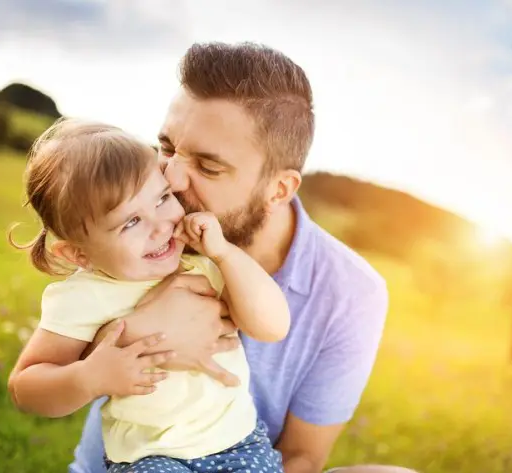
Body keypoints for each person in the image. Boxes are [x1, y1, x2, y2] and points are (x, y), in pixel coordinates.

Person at [71, 42, 412, 473]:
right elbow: (54, 368)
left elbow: (303, 454)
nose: (171, 177)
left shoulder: (352, 292)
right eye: (167, 146)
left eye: (208, 167)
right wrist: (145, 338)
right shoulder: (147, 234)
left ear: (280, 189)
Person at [7, 118, 290, 473]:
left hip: (237, 443)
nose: (160, 226)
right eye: (130, 223)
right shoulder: (83, 297)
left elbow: (273, 326)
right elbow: (25, 388)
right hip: (149, 458)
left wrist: (226, 255)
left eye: (162, 199)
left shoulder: (201, 261)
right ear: (80, 254)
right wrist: (88, 377)